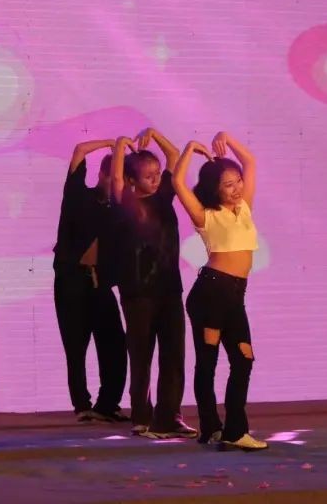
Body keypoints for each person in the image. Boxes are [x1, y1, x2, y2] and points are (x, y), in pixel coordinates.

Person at [174, 132, 267, 451]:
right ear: (215, 189)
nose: (237, 188)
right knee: (208, 362)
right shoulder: (206, 215)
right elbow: (178, 184)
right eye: (228, 184)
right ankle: (214, 427)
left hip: (234, 294)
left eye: (237, 181)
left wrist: (227, 138)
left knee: (243, 359)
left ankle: (231, 430)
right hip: (212, 293)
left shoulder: (244, 208)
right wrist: (190, 148)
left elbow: (250, 162)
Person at [109, 128, 196, 439]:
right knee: (141, 354)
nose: (156, 179)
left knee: (173, 354)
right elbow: (116, 178)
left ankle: (170, 415)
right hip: (137, 292)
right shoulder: (125, 203)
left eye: (157, 173)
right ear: (133, 180)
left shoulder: (163, 197)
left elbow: (174, 156)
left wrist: (155, 134)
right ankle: (141, 416)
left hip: (169, 288)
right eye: (148, 176)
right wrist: (120, 145)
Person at [52, 140, 128, 423]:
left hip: (101, 283)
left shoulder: (120, 209)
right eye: (113, 176)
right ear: (103, 174)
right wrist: (113, 144)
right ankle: (82, 405)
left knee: (115, 345)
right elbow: (80, 150)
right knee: (75, 344)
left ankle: (107, 403)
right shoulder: (78, 195)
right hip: (71, 280)